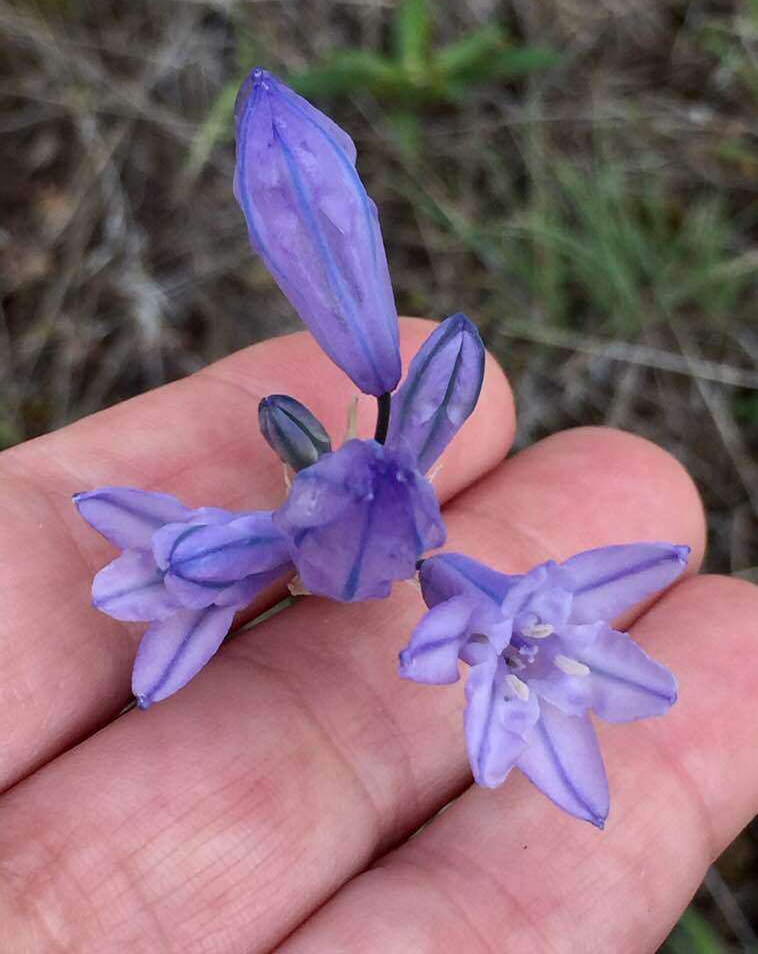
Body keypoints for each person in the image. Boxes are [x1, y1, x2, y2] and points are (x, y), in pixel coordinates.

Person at [0, 319, 753, 953]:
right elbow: (156, 643)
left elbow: (472, 678)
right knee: (196, 572)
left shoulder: (451, 605)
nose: (524, 651)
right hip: (320, 552)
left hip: (381, 557)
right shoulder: (439, 605)